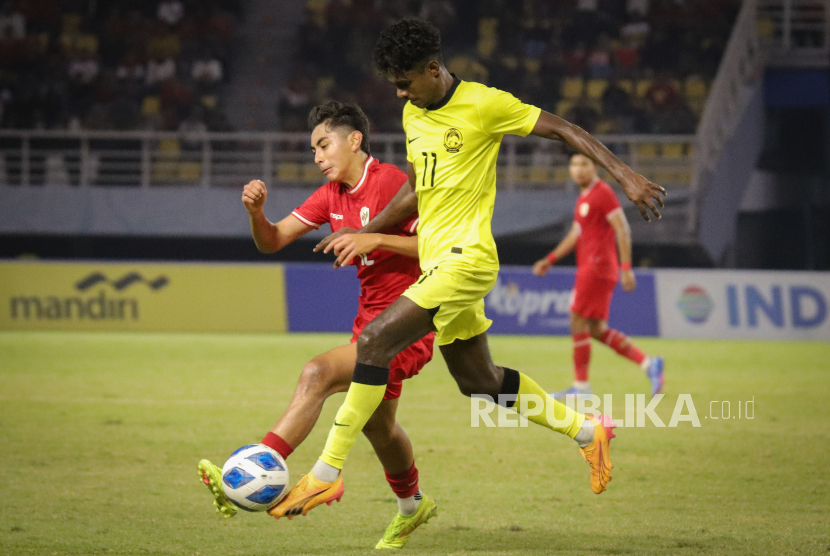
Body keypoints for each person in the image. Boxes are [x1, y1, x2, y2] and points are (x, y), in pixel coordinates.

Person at [270, 18, 665, 522]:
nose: (399, 91)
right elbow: (418, 188)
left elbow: (563, 129)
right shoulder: (414, 114)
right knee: (478, 379)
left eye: (406, 80)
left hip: (468, 259)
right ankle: (590, 433)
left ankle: (324, 476)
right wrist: (372, 232)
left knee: (372, 343)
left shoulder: (485, 104)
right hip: (438, 260)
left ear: (433, 68)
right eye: (394, 82)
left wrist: (626, 175)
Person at [197, 101, 437, 549]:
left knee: (318, 373)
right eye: (313, 150)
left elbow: (436, 248)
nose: (317, 157)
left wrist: (376, 237)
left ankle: (257, 467)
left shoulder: (393, 183)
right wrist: (257, 213)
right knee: (379, 428)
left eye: (324, 145)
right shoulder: (330, 197)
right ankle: (412, 507)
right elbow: (272, 241)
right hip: (370, 324)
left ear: (354, 140)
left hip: (411, 321)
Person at [532, 153, 664, 399]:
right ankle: (649, 364)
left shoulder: (602, 193)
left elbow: (622, 228)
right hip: (592, 267)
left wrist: (626, 268)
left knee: (576, 319)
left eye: (584, 164)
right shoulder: (584, 197)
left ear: (595, 168)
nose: (578, 169)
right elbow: (576, 233)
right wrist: (550, 260)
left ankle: (581, 387)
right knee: (595, 329)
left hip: (597, 267)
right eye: (573, 164)